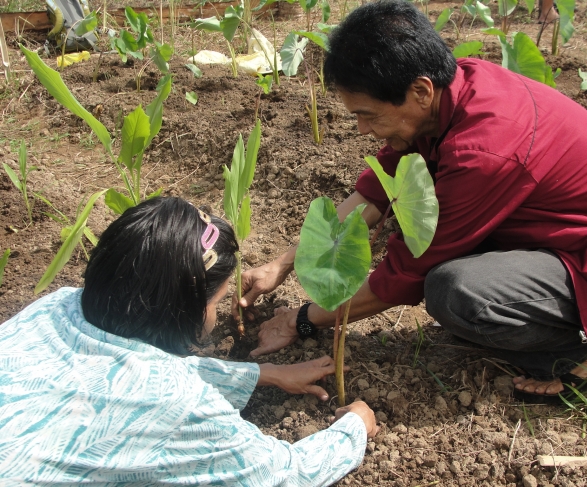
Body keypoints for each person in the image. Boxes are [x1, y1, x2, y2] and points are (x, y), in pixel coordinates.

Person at [233, 0, 587, 403]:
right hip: (552, 231)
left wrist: (301, 319)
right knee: (455, 278)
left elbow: (405, 274)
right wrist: (282, 263)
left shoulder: (484, 149)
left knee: (454, 291)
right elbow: (377, 191)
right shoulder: (452, 90)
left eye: (369, 115)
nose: (361, 129)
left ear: (419, 90)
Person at [0, 197, 378, 485]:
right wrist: (354, 429)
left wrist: (261, 374)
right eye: (216, 301)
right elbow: (285, 474)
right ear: (190, 309)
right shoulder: (178, 405)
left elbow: (118, 367)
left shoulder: (55, 307)